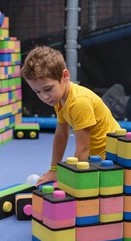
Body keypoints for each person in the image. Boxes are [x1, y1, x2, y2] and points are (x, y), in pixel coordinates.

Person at [20, 45, 121, 186]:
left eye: (48, 89)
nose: (44, 97)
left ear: (65, 76)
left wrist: (73, 180)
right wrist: (54, 169)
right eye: (37, 92)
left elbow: (83, 148)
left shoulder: (79, 102)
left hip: (112, 160)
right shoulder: (59, 99)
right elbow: (61, 134)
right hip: (95, 157)